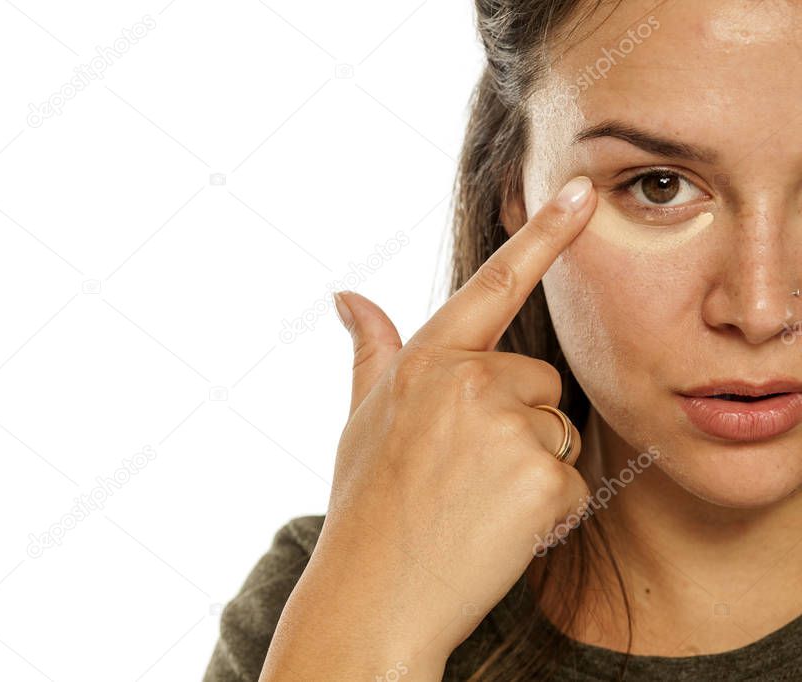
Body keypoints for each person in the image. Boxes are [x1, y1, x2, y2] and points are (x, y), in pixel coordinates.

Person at [204, 0, 802, 679]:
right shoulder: (336, 597)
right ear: (511, 190)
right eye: (657, 187)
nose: (758, 310)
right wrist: (368, 626)